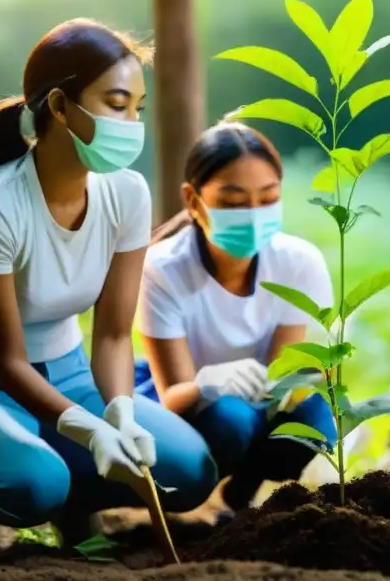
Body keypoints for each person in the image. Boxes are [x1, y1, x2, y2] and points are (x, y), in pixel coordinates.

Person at [0, 19, 217, 556]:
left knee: (188, 470)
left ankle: (71, 499)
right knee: (33, 487)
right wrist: (92, 433)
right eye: (116, 103)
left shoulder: (127, 194)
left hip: (71, 375)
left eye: (137, 108)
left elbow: (115, 334)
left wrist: (118, 409)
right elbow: (7, 361)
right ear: (57, 106)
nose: (131, 122)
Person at [133, 121, 337, 520]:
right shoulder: (162, 269)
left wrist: (294, 383)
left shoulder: (297, 263)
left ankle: (241, 495)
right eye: (233, 202)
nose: (253, 215)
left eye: (268, 198)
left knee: (314, 421)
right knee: (231, 419)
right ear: (193, 201)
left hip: (258, 402)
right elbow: (172, 394)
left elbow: (283, 376)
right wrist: (208, 382)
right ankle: (192, 495)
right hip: (186, 403)